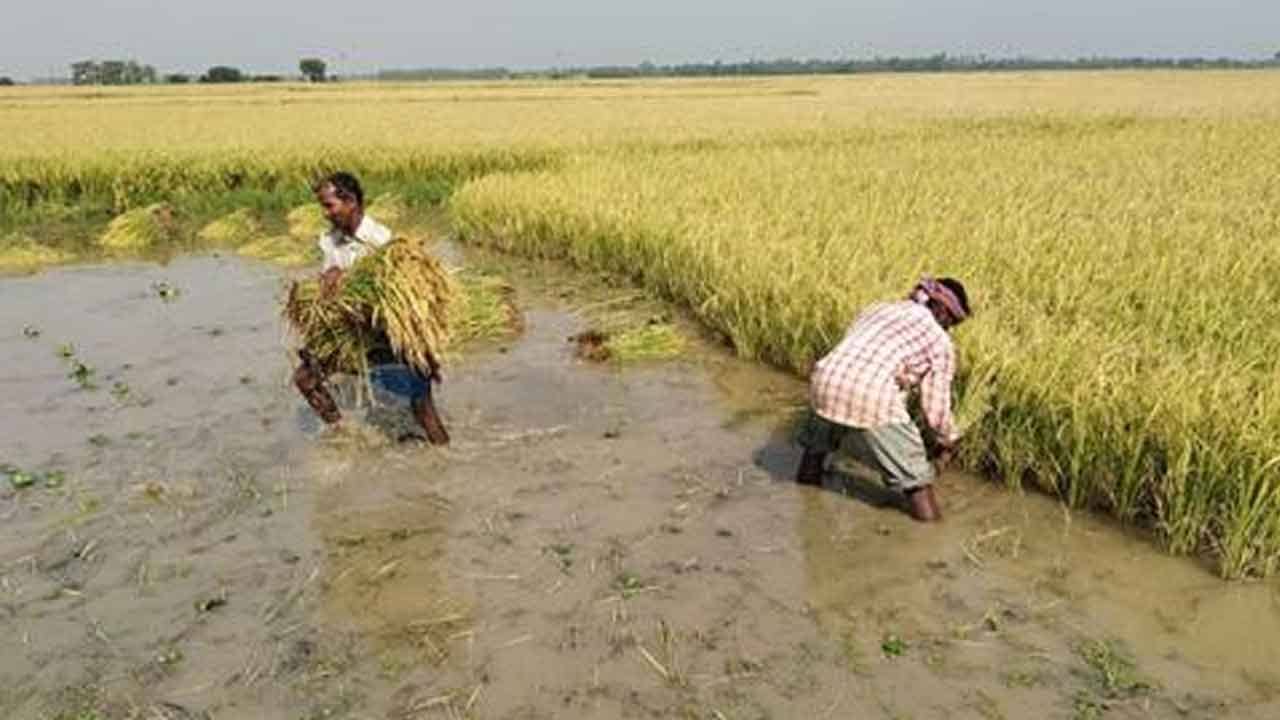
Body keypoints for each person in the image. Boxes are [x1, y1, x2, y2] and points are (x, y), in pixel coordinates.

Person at [794, 276, 971, 522]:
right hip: (872, 394)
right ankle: (931, 538)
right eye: (950, 322)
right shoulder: (940, 342)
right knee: (917, 484)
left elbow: (858, 350)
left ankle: (806, 494)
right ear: (941, 310)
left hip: (825, 379)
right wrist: (949, 439)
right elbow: (935, 406)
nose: (948, 329)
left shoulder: (877, 309)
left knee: (814, 453)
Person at [292, 171, 451, 445]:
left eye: (329, 205)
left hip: (388, 335)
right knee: (306, 378)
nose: (325, 213)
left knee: (423, 409)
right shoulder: (329, 240)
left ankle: (447, 460)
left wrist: (426, 352)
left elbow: (403, 303)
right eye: (323, 206)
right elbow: (329, 284)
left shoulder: (383, 243)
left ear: (351, 201)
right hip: (352, 333)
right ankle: (343, 433)